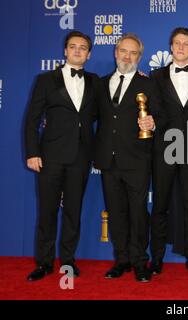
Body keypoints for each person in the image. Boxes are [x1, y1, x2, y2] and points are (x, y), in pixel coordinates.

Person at [24, 30, 99, 281]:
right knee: (47, 211)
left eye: (83, 48)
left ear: (88, 55)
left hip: (80, 156)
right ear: (65, 51)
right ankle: (43, 263)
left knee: (73, 212)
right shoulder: (46, 80)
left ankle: (68, 260)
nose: (77, 50)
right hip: (50, 156)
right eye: (73, 46)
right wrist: (33, 152)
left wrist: (138, 77)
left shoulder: (95, 82)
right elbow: (32, 120)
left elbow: (115, 101)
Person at [94, 33, 157, 282]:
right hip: (108, 161)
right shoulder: (100, 84)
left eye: (133, 53)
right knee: (116, 212)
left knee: (139, 213)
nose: (127, 56)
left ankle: (141, 262)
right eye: (123, 51)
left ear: (139, 57)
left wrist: (153, 123)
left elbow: (161, 116)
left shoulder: (149, 85)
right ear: (115, 52)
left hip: (137, 160)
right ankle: (122, 260)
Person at [145, 27, 188, 275]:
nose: (181, 47)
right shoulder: (155, 77)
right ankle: (157, 257)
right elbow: (155, 111)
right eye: (176, 43)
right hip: (164, 149)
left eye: (186, 44)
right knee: (160, 205)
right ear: (171, 47)